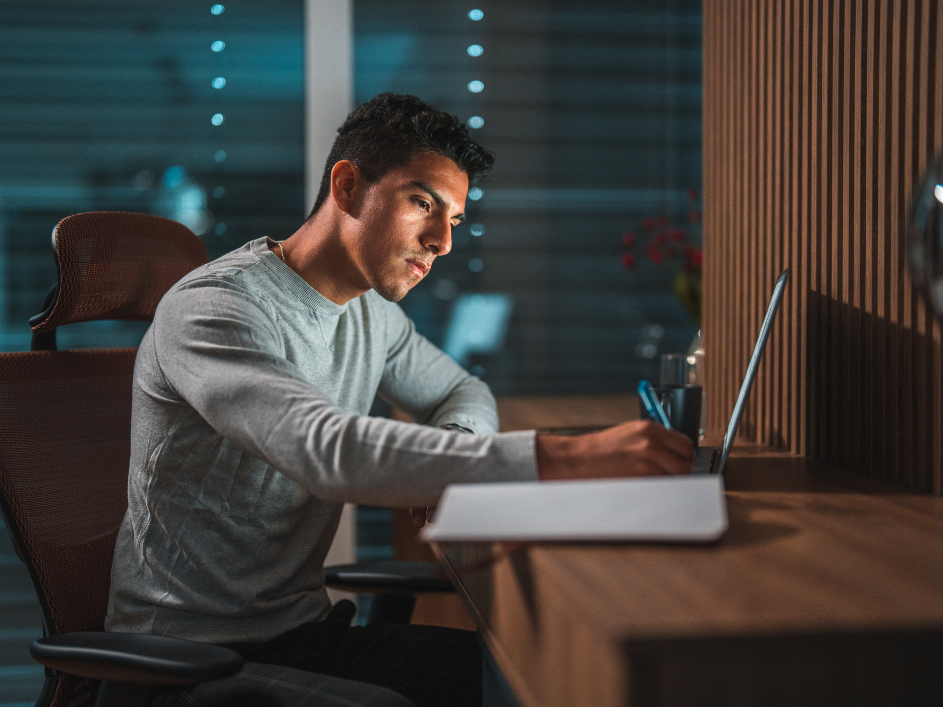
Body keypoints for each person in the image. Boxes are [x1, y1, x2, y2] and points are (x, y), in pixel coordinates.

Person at [106, 93, 693, 707]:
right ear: (349, 185)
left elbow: (461, 390)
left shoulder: (368, 313)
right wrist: (569, 458)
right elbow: (323, 449)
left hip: (299, 635)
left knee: (529, 679)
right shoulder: (215, 308)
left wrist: (450, 468)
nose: (442, 241)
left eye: (455, 221)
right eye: (423, 203)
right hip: (182, 661)